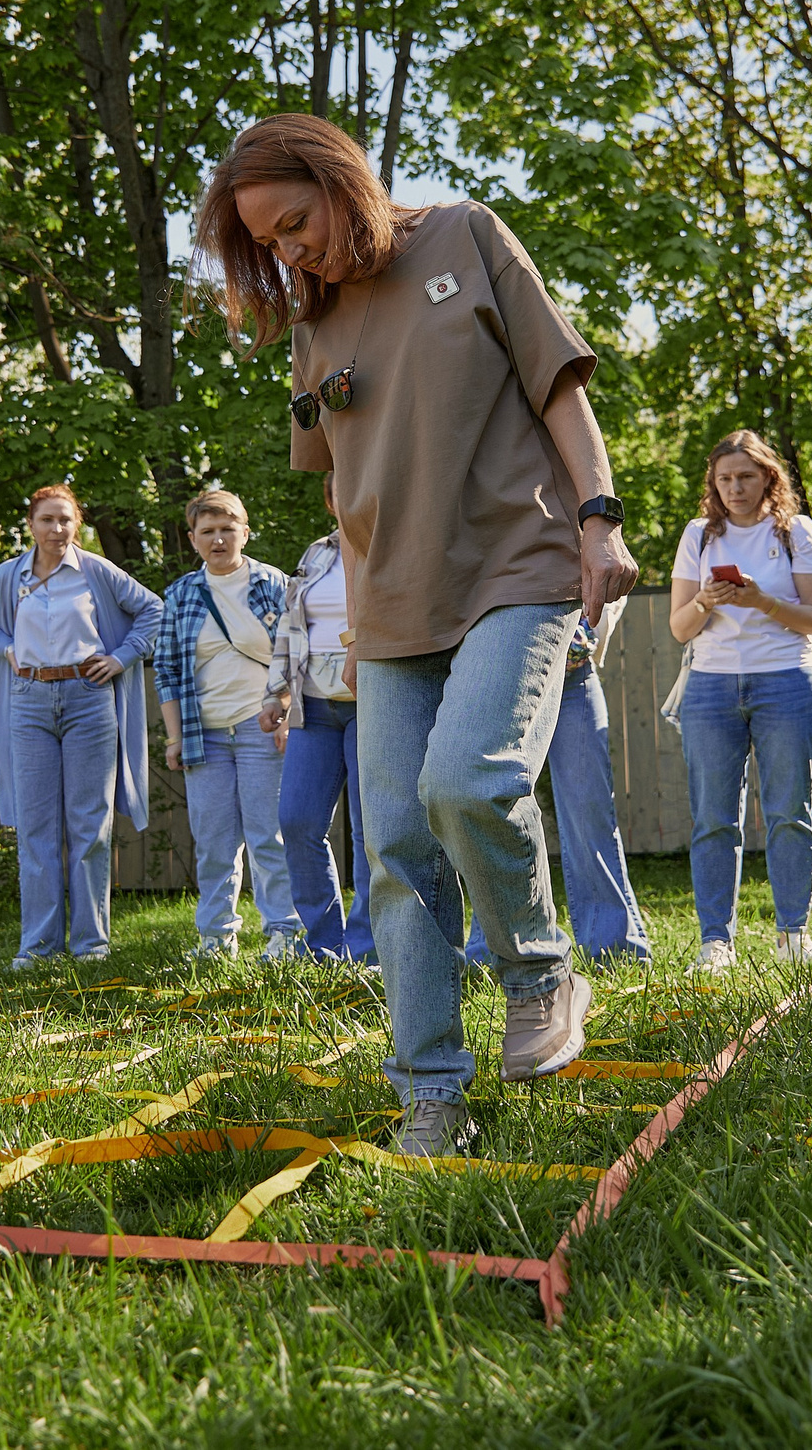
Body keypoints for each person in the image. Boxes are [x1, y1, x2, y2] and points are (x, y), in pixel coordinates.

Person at [196, 112, 639, 1159]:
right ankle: (430, 1091)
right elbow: (342, 484)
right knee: (393, 851)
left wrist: (600, 520)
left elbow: (559, 387)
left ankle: (538, 972)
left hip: (516, 567)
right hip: (390, 613)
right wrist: (351, 620)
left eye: (297, 223)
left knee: (471, 780)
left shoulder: (467, 237)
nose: (291, 251)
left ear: (340, 181)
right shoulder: (314, 322)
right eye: (271, 244)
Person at [0, 485, 162, 967]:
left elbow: (152, 609)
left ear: (77, 524)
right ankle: (39, 947)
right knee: (37, 828)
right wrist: (5, 647)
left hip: (89, 699)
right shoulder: (10, 576)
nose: (57, 529)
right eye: (47, 519)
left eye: (65, 519)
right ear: (30, 524)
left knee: (90, 824)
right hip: (27, 702)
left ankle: (91, 945)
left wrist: (122, 657)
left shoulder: (95, 571)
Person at [669, 430, 812, 973]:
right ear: (713, 485)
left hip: (785, 682)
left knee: (790, 813)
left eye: (745, 476)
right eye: (724, 479)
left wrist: (762, 600)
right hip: (711, 689)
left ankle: (793, 938)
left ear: (768, 477)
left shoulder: (795, 533)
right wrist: (704, 599)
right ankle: (715, 945)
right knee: (713, 819)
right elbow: (679, 628)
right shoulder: (698, 536)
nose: (735, 488)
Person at [151, 489, 301, 960]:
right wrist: (174, 738)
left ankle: (285, 933)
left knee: (268, 836)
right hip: (204, 735)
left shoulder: (273, 583)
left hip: (261, 728)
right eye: (207, 531)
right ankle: (216, 938)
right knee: (214, 843)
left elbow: (296, 654)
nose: (218, 540)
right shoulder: (180, 593)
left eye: (227, 529)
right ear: (193, 539)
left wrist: (286, 713)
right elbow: (168, 671)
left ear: (245, 532)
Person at [462, 601, 653, 967]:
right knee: (495, 810)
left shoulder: (584, 537)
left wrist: (592, 630)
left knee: (590, 811)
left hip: (573, 676)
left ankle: (615, 948)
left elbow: (611, 573)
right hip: (502, 678)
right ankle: (490, 951)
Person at [262, 470, 374, 962]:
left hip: (372, 704)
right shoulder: (316, 554)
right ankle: (327, 943)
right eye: (339, 492)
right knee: (298, 819)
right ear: (331, 502)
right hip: (314, 707)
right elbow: (291, 628)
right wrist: (277, 694)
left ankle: (370, 945)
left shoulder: (387, 547)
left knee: (370, 830)